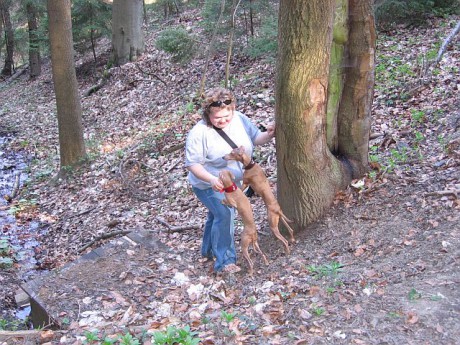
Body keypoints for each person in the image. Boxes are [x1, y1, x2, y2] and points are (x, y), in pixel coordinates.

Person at [185, 87, 275, 274]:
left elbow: (256, 138)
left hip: (233, 183)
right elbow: (193, 164)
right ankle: (225, 262)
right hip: (207, 183)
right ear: (208, 114)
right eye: (217, 118)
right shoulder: (198, 133)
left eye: (227, 115)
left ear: (233, 109)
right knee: (225, 213)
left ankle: (208, 250)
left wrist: (269, 134)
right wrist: (211, 179)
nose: (223, 120)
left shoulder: (239, 119)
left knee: (216, 214)